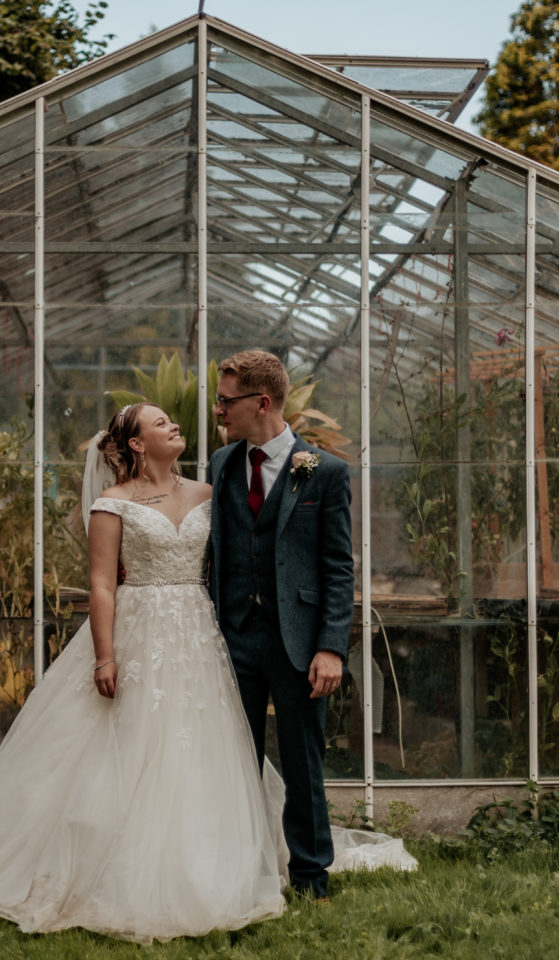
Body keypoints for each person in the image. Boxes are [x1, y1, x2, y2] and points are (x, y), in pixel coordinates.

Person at [0, 400, 414, 943]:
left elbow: (254, 549)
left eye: (173, 418)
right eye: (160, 422)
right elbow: (101, 584)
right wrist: (105, 655)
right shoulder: (112, 503)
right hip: (138, 630)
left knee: (202, 749)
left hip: (200, 634)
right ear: (138, 444)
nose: (175, 424)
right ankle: (117, 862)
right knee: (132, 747)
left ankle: (221, 858)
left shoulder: (212, 487)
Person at [208, 349, 353, 900]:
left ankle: (312, 875)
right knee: (232, 762)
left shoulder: (324, 472)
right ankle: (238, 871)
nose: (219, 410)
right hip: (233, 638)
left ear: (261, 402)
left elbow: (339, 567)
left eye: (227, 401)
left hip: (298, 643)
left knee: (302, 761)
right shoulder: (222, 465)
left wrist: (331, 648)